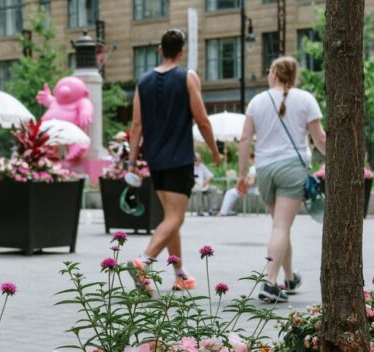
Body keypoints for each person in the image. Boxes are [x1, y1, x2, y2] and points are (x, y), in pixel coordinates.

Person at [127, 28, 220, 293]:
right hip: (179, 158)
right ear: (181, 52)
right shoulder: (187, 77)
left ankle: (179, 272)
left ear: (160, 50)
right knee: (176, 219)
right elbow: (202, 120)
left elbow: (136, 125)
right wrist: (214, 150)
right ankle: (143, 261)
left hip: (155, 160)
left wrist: (132, 162)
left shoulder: (143, 82)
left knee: (171, 217)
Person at [237, 56, 326, 303]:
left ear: (274, 73)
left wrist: (242, 175)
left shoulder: (257, 101)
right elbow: (320, 139)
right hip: (291, 168)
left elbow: (245, 140)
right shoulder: (305, 99)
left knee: (280, 225)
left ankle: (289, 277)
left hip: (264, 170)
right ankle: (270, 283)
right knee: (281, 227)